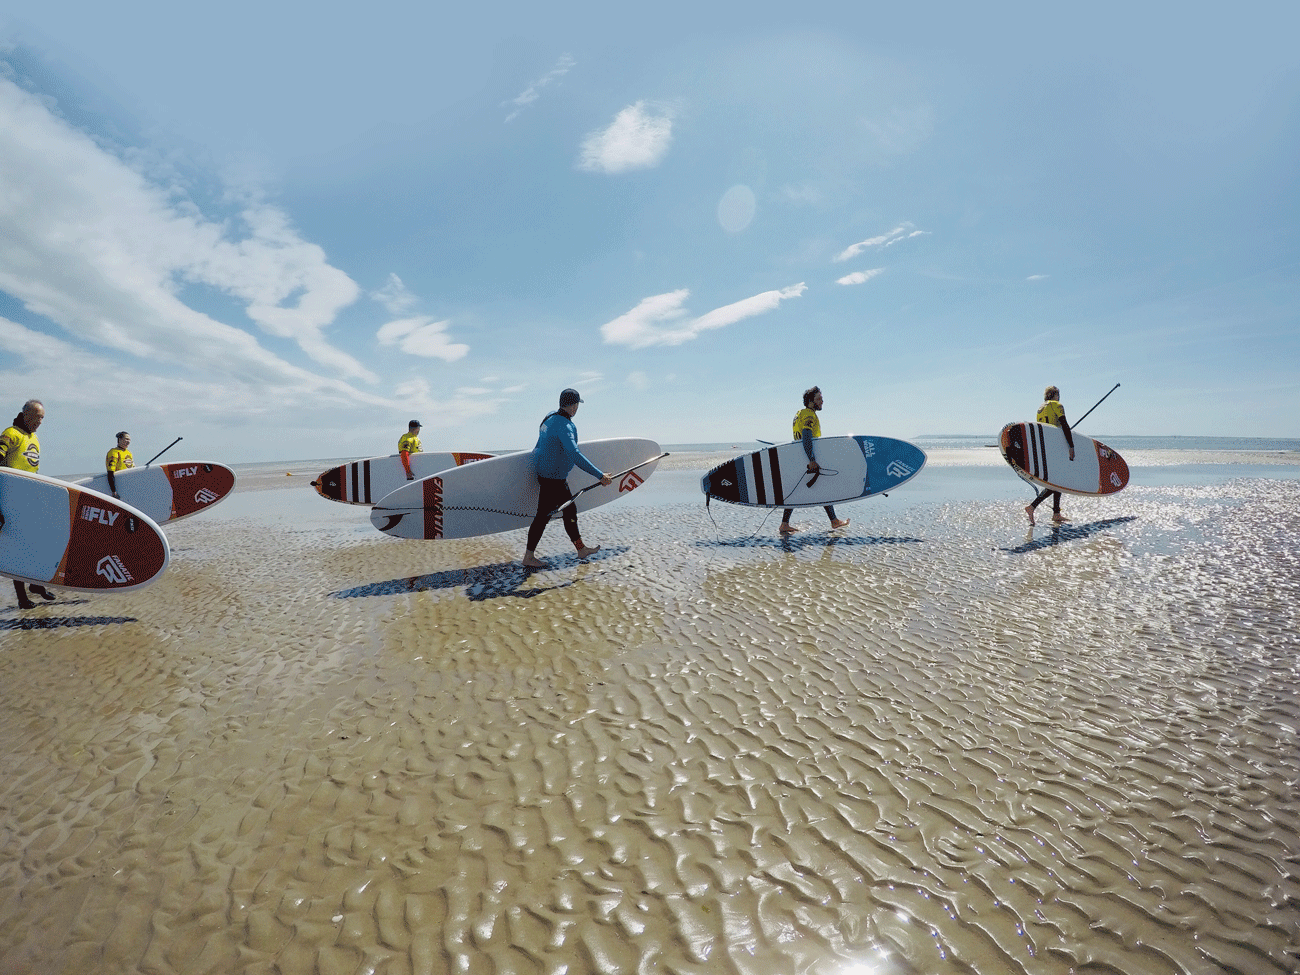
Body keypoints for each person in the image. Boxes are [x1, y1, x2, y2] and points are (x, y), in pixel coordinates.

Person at [522, 388, 611, 568]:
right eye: (577, 405)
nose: (577, 408)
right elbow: (574, 454)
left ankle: (581, 549)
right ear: (574, 406)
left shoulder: (549, 417)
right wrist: (600, 475)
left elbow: (539, 445)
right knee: (544, 516)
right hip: (553, 479)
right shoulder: (565, 426)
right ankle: (529, 557)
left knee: (568, 511)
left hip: (545, 474)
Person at [0, 399, 57, 609]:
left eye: (42, 418)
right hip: (10, 500)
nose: (40, 421)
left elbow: (33, 470)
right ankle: (22, 598)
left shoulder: (34, 438)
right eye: (36, 417)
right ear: (25, 414)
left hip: (29, 499)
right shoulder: (10, 434)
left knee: (38, 543)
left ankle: (36, 584)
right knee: (18, 548)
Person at [779, 386, 851, 535]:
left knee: (799, 489)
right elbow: (806, 436)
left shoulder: (800, 413)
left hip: (799, 456)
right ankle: (834, 521)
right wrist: (811, 459)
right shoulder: (809, 415)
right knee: (822, 487)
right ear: (811, 401)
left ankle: (785, 524)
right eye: (819, 399)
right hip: (806, 456)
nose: (822, 401)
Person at [1025, 385, 1075, 525]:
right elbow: (1064, 425)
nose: (1059, 397)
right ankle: (1032, 507)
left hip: (1045, 448)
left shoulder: (1040, 408)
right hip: (1056, 448)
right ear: (1055, 395)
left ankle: (1056, 514)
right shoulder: (1057, 405)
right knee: (1058, 482)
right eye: (1058, 395)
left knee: (1057, 480)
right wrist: (1071, 446)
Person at [105, 430, 133, 499]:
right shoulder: (114, 452)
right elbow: (110, 473)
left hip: (128, 485)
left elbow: (133, 469)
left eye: (129, 440)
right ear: (120, 439)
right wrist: (113, 490)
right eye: (126, 439)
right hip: (119, 485)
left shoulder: (129, 453)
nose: (128, 441)